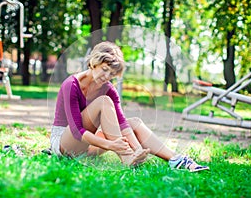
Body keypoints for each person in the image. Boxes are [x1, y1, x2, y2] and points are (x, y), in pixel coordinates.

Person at [50, 41, 209, 172]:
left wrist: (138, 148)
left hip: (87, 148)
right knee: (103, 102)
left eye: (112, 74)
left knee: (134, 123)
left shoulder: (108, 88)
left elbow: (122, 123)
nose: (107, 77)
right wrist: (112, 145)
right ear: (93, 63)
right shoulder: (71, 85)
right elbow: (78, 132)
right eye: (105, 69)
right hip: (64, 145)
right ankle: (127, 158)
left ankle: (176, 159)